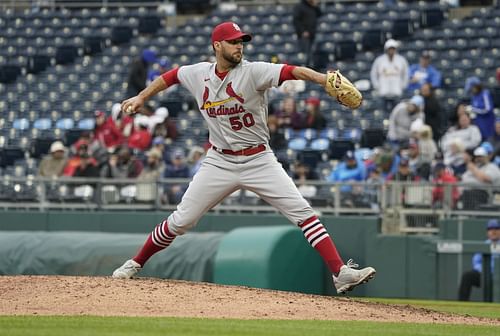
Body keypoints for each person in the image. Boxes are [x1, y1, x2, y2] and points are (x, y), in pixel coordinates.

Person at [113, 21, 376, 294]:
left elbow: (291, 71)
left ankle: (341, 273)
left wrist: (323, 79)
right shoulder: (198, 74)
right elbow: (171, 76)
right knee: (181, 221)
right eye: (234, 42)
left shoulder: (254, 71)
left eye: (242, 42)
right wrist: (142, 98)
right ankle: (135, 263)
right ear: (217, 45)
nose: (240, 46)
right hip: (219, 161)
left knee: (304, 213)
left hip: (258, 159)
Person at [458, 219, 500, 301]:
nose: (494, 231)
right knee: (467, 276)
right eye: (491, 229)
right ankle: (461, 307)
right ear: (487, 232)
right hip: (485, 275)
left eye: (496, 229)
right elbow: (476, 262)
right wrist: (484, 272)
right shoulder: (484, 244)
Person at [370, 39, 409, 113]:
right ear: (386, 49)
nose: (391, 51)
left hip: (397, 92)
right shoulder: (379, 60)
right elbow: (373, 74)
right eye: (389, 49)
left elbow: (406, 74)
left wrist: (403, 86)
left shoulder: (401, 60)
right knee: (382, 113)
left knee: (397, 113)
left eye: (393, 49)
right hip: (383, 92)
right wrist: (377, 86)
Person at [292, 0, 321, 67]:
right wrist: (302, 31)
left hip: (312, 34)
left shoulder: (313, 7)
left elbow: (319, 14)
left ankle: (310, 68)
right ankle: (304, 68)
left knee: (311, 54)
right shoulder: (300, 6)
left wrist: (316, 6)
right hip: (304, 35)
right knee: (305, 53)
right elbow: (296, 20)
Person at [465, 76, 495, 141]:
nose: (471, 90)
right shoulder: (473, 96)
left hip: (487, 124)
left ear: (477, 86)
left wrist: (473, 109)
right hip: (478, 125)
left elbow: (488, 109)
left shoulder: (485, 93)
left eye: (472, 88)